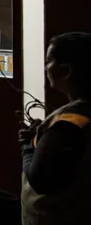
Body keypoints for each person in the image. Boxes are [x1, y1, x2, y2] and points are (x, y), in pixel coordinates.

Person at [20, 32, 91, 225]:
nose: (46, 68)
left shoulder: (70, 123)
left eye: (49, 61)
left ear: (66, 71)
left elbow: (39, 179)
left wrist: (28, 145)